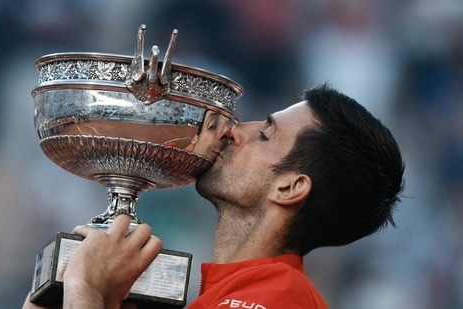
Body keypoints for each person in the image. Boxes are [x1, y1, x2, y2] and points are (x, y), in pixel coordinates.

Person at [23, 83, 405, 308]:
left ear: (289, 188)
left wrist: (86, 290)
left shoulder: (279, 298)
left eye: (265, 134)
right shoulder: (226, 295)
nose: (235, 130)